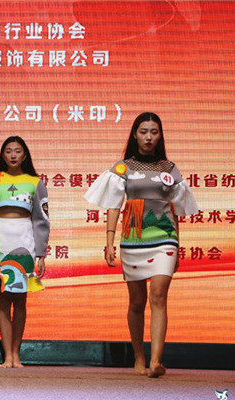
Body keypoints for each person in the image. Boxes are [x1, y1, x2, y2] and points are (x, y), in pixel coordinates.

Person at [84, 112, 198, 378]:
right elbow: (114, 205)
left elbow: (176, 210)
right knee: (137, 301)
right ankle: (139, 357)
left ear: (160, 136)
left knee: (159, 295)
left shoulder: (169, 169)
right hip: (133, 237)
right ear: (135, 135)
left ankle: (156, 361)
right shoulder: (123, 168)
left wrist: (178, 244)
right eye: (144, 132)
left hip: (164, 237)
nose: (148, 137)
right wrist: (109, 241)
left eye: (154, 132)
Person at [0, 136, 50, 368]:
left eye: (17, 151)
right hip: (0, 238)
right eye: (8, 151)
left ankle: (16, 354)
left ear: (24, 155)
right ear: (2, 155)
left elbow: (41, 219)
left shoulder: (35, 182)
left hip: (25, 238)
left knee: (20, 299)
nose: (13, 155)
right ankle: (7, 355)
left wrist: (41, 253)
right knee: (2, 298)